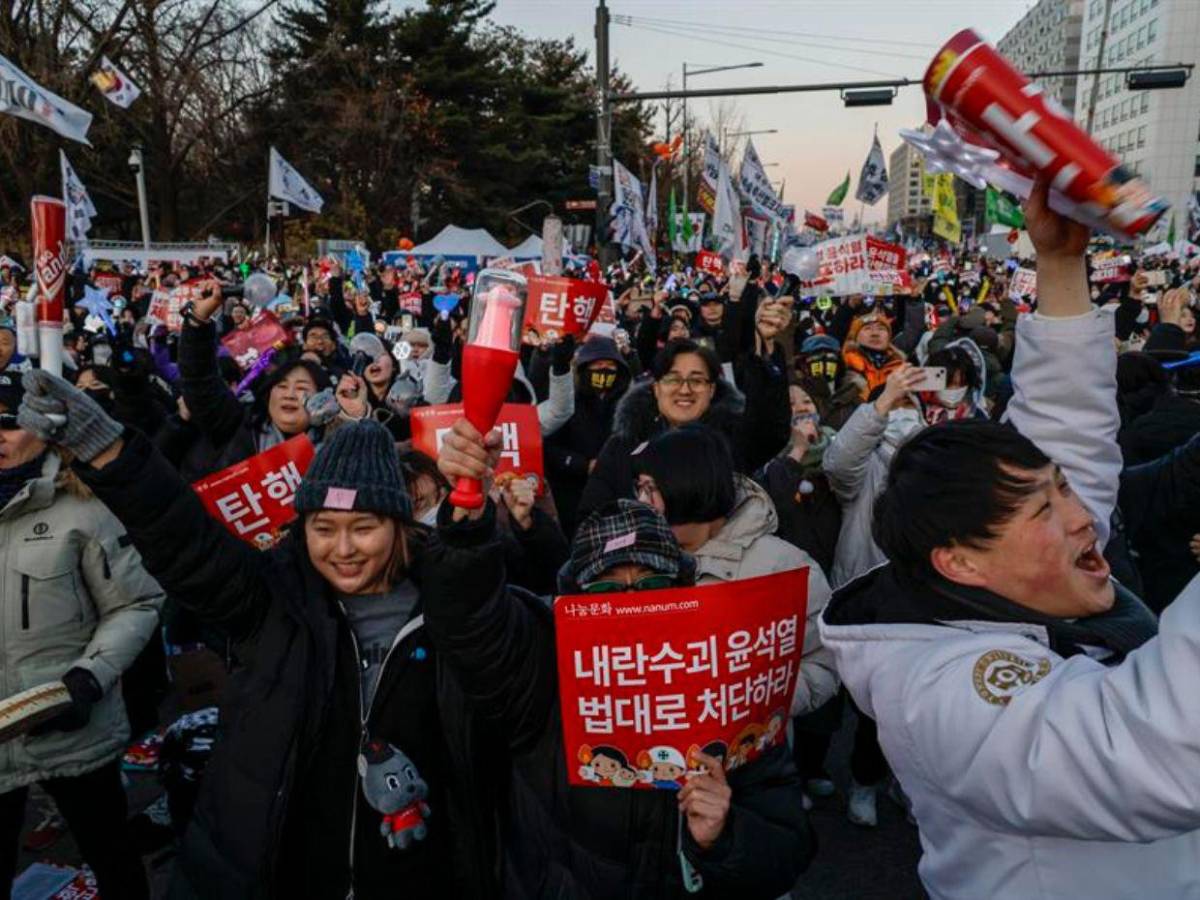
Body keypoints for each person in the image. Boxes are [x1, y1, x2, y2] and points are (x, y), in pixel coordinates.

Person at [817, 178, 1200, 899]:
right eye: (1044, 510)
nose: (1084, 517)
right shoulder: (939, 689)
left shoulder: (1011, 579)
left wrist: (1059, 263)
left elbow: (1064, 431)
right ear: (961, 561)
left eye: (1065, 490)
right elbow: (1152, 752)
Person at [16, 379, 505, 899]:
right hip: (279, 869)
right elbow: (186, 542)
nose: (343, 550)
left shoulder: (445, 608)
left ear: (399, 527)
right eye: (323, 528)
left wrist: (475, 517)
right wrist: (109, 451)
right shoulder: (272, 600)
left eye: (363, 527)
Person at [421, 421, 815, 897]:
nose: (631, 605)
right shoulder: (542, 662)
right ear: (574, 599)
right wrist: (466, 519)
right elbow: (469, 620)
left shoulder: (725, 677)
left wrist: (724, 835)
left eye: (652, 585)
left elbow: (788, 846)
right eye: (606, 590)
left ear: (684, 590)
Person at [0, 373, 164, 900]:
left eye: (9, 423)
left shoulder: (86, 506)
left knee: (111, 856)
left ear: (45, 428)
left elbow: (136, 603)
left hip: (71, 727)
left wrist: (88, 679)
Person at [630, 425, 837, 718]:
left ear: (690, 485)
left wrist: (756, 702)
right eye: (639, 488)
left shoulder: (782, 566)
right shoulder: (629, 561)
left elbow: (822, 661)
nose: (642, 501)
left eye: (651, 489)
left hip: (747, 738)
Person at [578, 337, 788, 519]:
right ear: (656, 388)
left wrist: (766, 346)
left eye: (697, 381)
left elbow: (771, 431)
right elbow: (592, 514)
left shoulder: (731, 438)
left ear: (711, 390)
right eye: (673, 379)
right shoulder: (623, 445)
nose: (685, 390)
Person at [177, 285, 331, 474]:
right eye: (282, 386)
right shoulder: (238, 425)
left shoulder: (335, 451)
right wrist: (197, 322)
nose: (289, 395)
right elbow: (200, 381)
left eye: (301, 388)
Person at [544, 336, 632, 537]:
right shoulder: (566, 404)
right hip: (571, 494)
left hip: (615, 495)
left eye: (610, 365)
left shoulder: (628, 406)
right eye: (598, 364)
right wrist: (583, 465)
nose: (604, 370)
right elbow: (549, 448)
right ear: (585, 367)